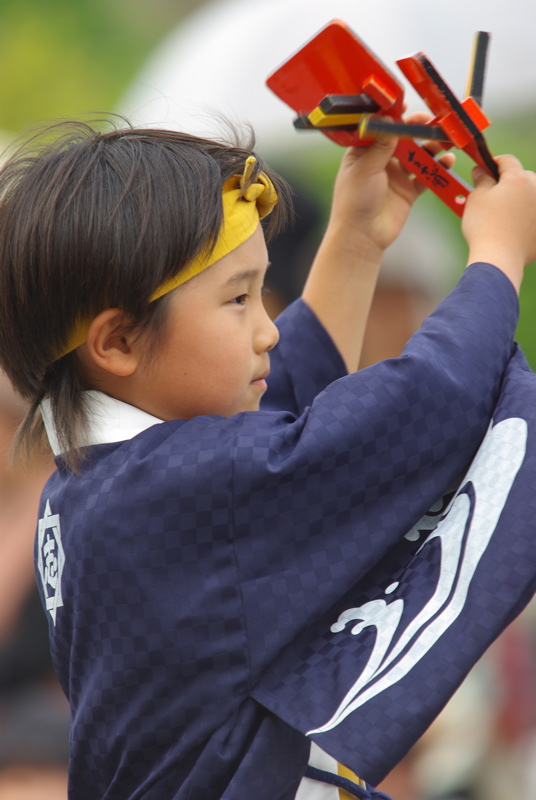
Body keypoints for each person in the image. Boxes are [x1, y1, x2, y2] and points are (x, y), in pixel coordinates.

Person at [0, 117, 535, 800]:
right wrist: (497, 253)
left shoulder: (92, 484)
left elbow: (284, 402)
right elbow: (424, 405)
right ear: (119, 341)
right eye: (237, 298)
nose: (268, 326)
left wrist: (355, 240)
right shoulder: (174, 485)